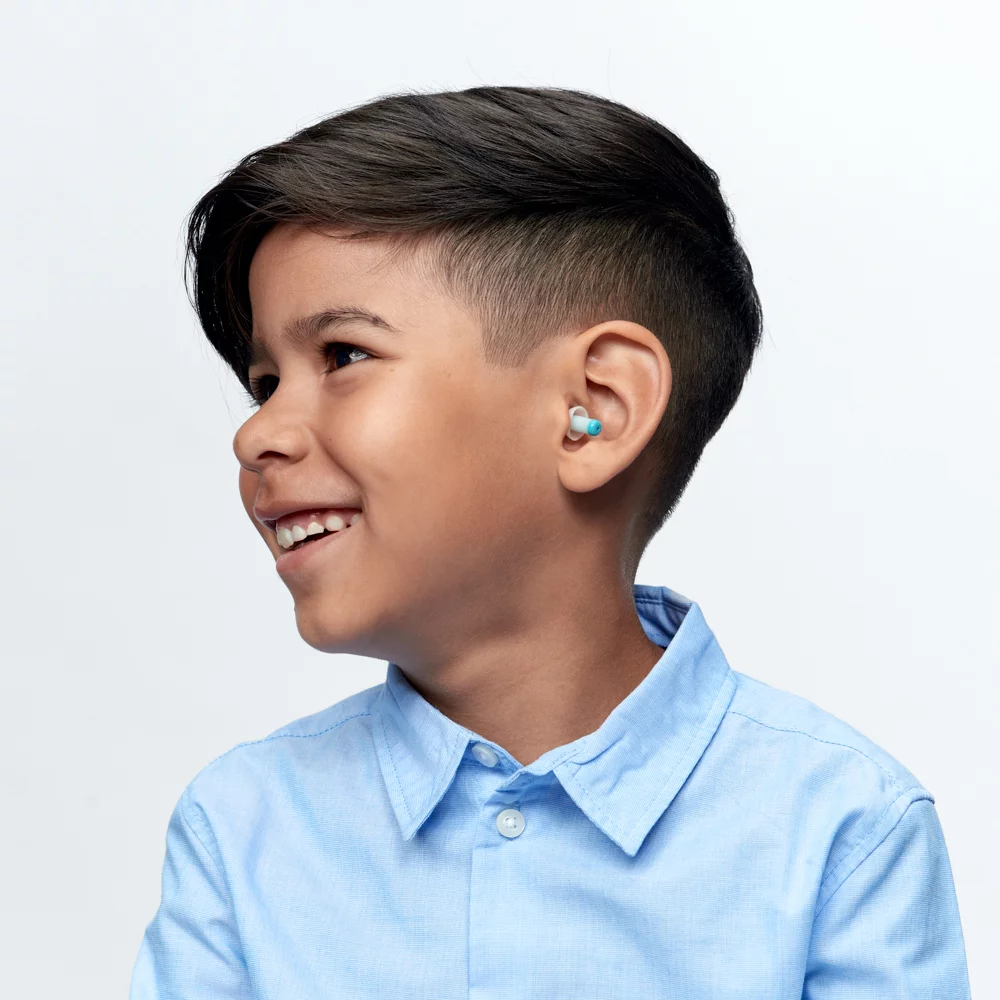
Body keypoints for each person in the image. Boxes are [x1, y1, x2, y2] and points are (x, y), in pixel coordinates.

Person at [131, 87, 970, 998]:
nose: (257, 433)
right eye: (264, 382)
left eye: (342, 355)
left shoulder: (845, 832)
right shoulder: (243, 830)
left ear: (593, 411)